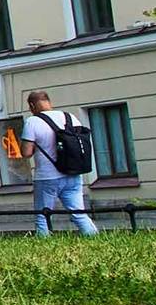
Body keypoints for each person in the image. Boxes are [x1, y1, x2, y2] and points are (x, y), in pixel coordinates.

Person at [21, 89, 99, 236]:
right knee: (79, 214)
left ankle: (44, 248)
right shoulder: (70, 117)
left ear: (32, 105)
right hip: (73, 173)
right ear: (49, 102)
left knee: (43, 216)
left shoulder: (32, 122)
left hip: (47, 176)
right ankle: (97, 240)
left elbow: (26, 153)